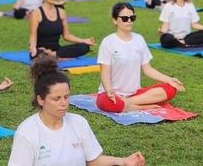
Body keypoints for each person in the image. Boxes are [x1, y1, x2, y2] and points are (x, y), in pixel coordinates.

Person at [8, 55, 146, 166]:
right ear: (41, 100)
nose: (63, 103)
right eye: (56, 99)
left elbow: (94, 160)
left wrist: (123, 161)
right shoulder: (27, 132)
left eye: (66, 97)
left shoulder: (79, 123)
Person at [96, 2, 185, 113]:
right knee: (105, 102)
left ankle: (128, 103)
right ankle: (139, 106)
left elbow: (147, 69)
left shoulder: (139, 39)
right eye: (124, 18)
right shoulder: (108, 42)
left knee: (171, 89)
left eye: (132, 17)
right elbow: (104, 73)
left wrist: (170, 80)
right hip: (112, 95)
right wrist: (109, 90)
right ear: (115, 20)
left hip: (135, 94)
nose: (129, 21)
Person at [28, 0, 94, 59]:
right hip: (41, 50)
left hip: (57, 50)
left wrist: (84, 40)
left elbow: (66, 36)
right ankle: (52, 56)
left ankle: (53, 55)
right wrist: (33, 48)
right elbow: (33, 35)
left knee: (84, 47)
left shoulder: (61, 12)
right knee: (39, 54)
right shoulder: (36, 13)